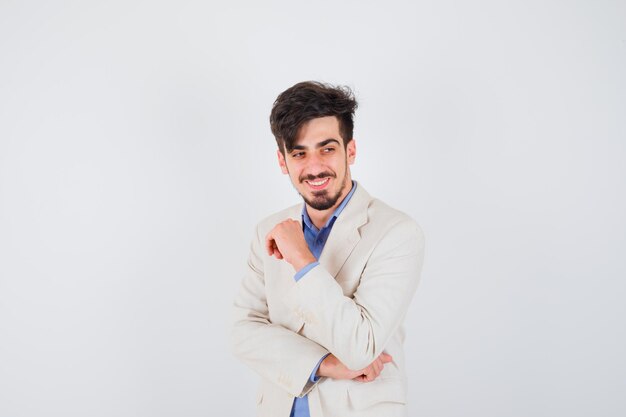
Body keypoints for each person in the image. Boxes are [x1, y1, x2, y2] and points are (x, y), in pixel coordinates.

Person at [231, 81, 425, 417]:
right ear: (283, 161)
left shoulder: (397, 232)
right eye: (299, 153)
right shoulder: (268, 230)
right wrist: (326, 364)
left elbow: (360, 348)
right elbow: (243, 331)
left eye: (327, 148)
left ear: (350, 150)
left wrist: (302, 259)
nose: (315, 166)